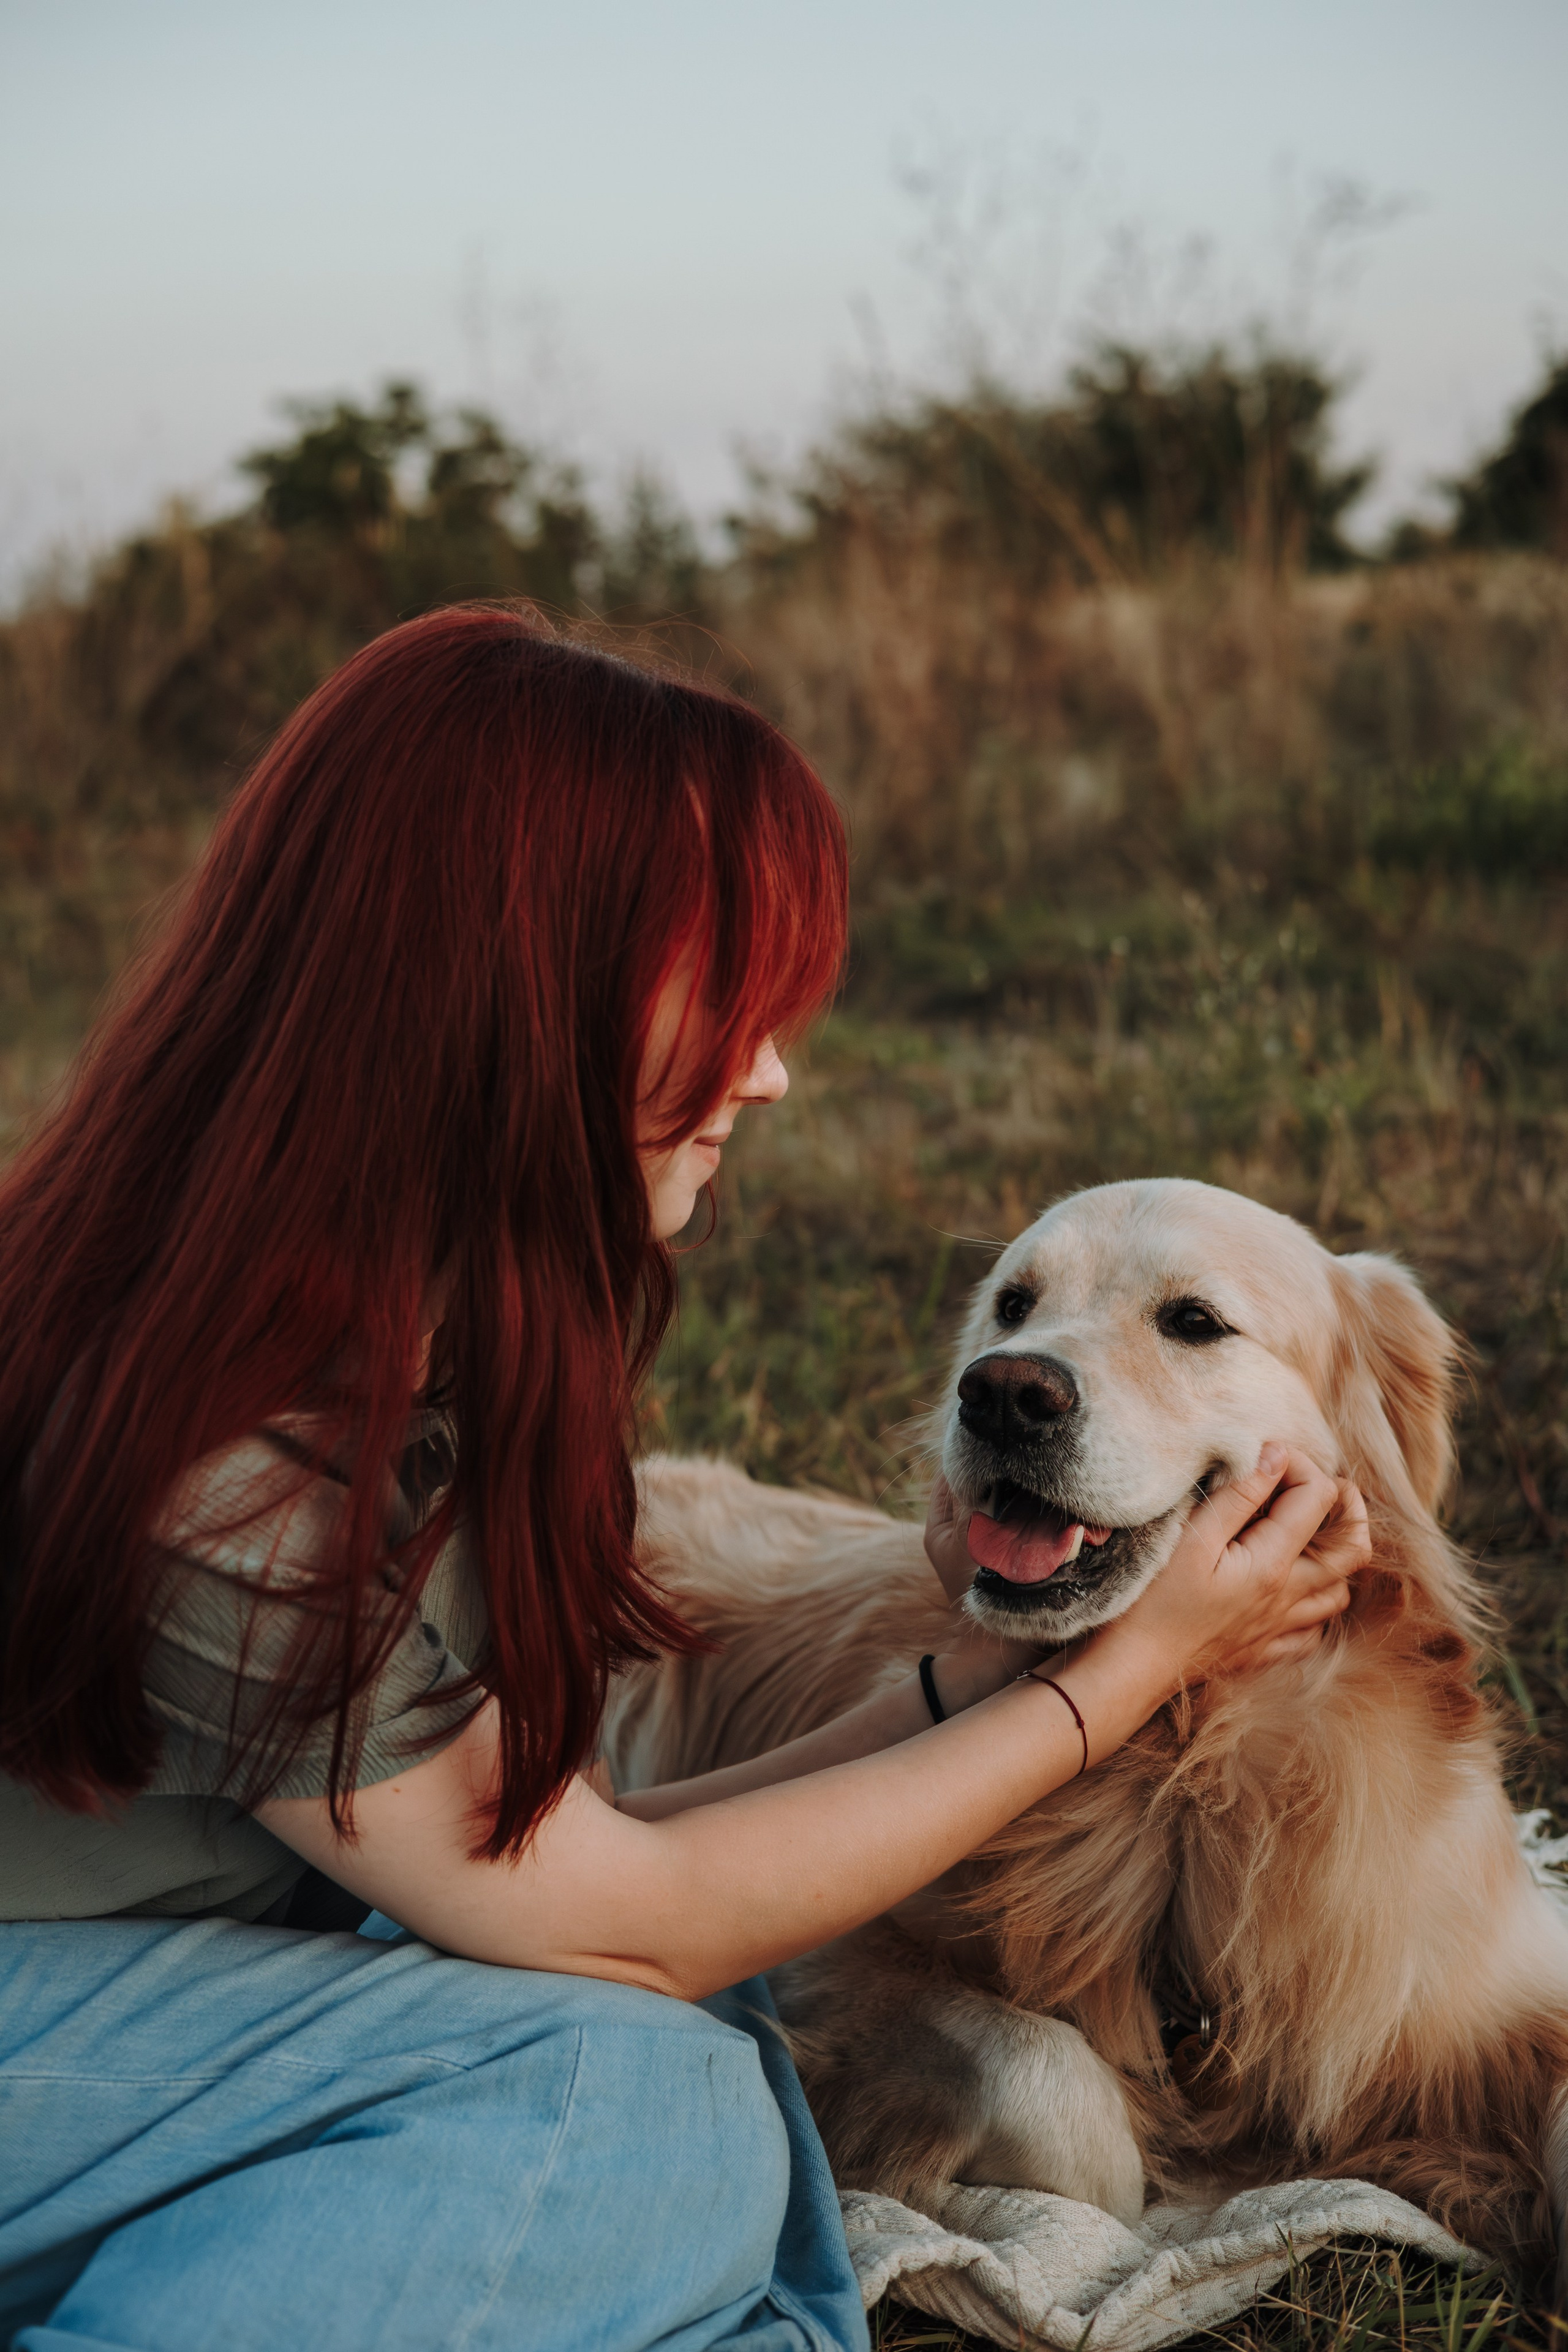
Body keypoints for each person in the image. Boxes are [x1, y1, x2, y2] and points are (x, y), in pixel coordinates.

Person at [0, 605, 1365, 2352]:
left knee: (686, 2095)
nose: (775, 1068)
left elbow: (556, 1859)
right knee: (623, 2098)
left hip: (118, 2028)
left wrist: (961, 1680)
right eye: (728, 991)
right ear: (505, 985)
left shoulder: (406, 1367)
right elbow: (629, 1927)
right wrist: (1122, 1676)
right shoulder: (230, 1462)